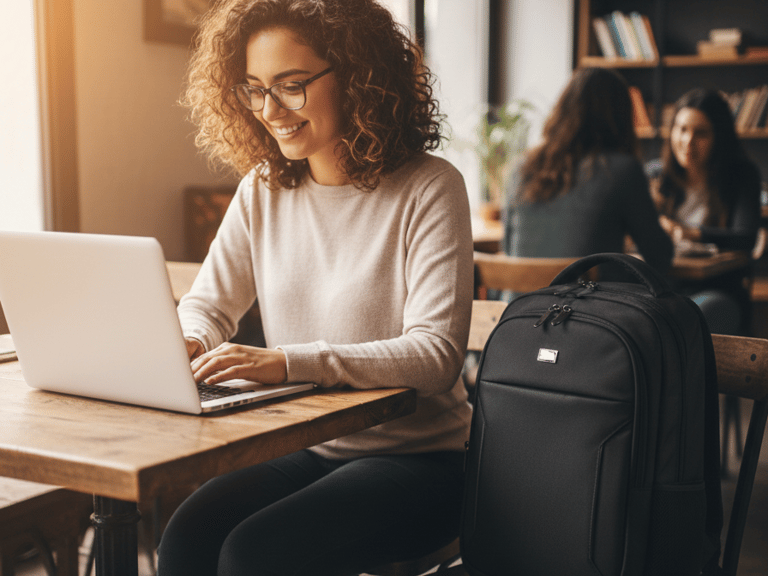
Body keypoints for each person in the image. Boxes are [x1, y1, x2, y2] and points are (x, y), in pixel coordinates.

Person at [157, 1, 474, 575]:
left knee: (253, 555)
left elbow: (436, 357)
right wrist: (194, 339)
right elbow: (206, 303)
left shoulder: (430, 188)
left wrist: (286, 363)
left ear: (358, 77)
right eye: (255, 89)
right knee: (187, 536)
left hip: (423, 459)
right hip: (305, 445)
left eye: (291, 85)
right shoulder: (263, 189)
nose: (270, 110)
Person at [502, 67, 673, 277]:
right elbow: (660, 256)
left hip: (519, 298)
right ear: (621, 117)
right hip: (584, 299)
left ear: (562, 110)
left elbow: (508, 248)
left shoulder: (521, 167)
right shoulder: (622, 171)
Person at [647, 88, 762, 335]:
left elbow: (745, 238)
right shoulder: (657, 174)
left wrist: (688, 233)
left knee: (686, 321)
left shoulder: (741, 176)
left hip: (718, 290)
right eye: (682, 129)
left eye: (701, 133)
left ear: (719, 137)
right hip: (665, 287)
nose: (688, 141)